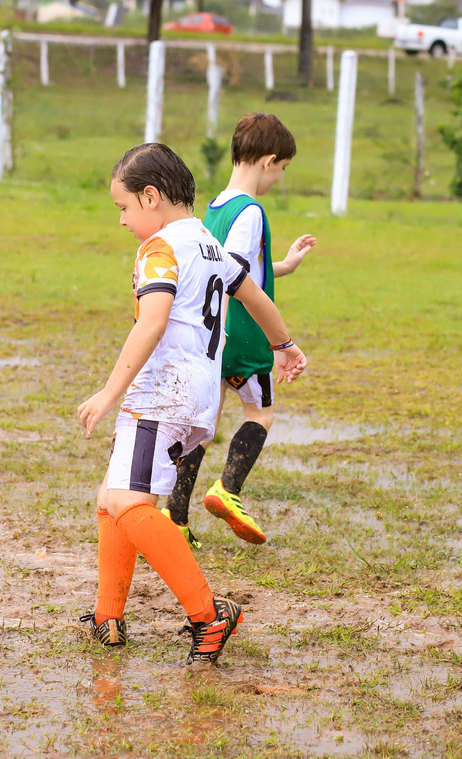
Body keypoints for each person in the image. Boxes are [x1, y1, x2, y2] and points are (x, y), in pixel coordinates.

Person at [77, 143, 307, 665]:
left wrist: (111, 392)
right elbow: (253, 293)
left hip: (161, 394)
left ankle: (208, 615)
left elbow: (152, 321)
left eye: (124, 208)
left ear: (151, 198)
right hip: (197, 395)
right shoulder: (206, 240)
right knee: (111, 496)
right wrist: (285, 344)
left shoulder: (158, 248)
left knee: (130, 505)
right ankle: (108, 616)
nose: (122, 221)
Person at [163, 112, 316, 547]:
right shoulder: (250, 211)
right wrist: (273, 340)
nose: (279, 178)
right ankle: (228, 490)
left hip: (211, 334)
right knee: (260, 414)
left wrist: (284, 263)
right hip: (244, 332)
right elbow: (238, 278)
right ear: (268, 161)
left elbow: (236, 268)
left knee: (205, 423)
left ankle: (175, 519)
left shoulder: (214, 207)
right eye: (282, 169)